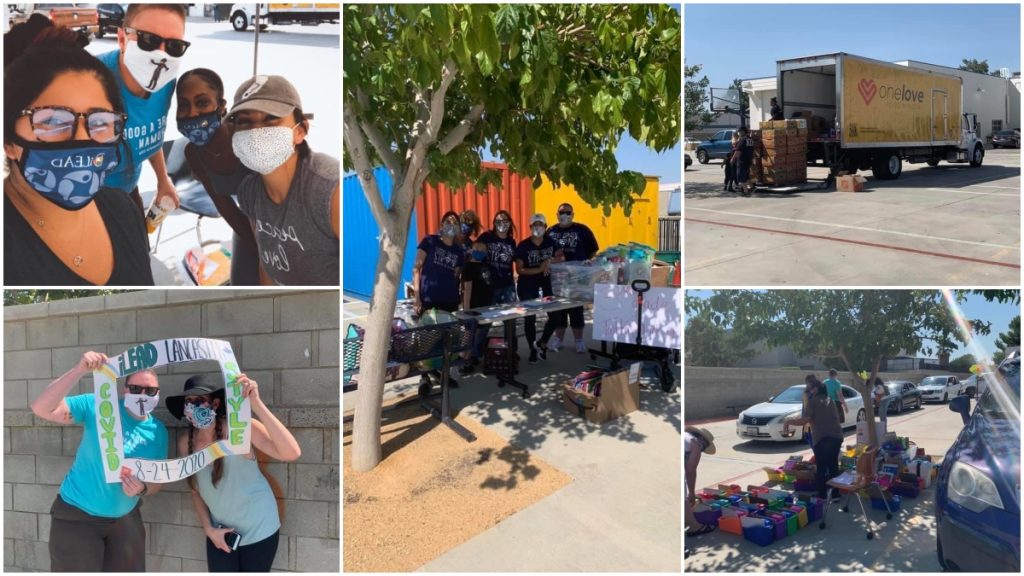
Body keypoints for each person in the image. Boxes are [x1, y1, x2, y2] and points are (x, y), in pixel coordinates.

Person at [4, 15, 154, 286]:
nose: (84, 139)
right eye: (52, 121)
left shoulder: (124, 210)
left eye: (101, 123)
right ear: (9, 141)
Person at [30, 352, 168, 571]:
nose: (143, 394)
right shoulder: (99, 405)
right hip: (78, 518)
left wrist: (142, 488)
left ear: (158, 394)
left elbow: (157, 482)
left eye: (150, 391)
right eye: (135, 389)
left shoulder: (158, 431)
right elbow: (41, 408)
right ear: (125, 389)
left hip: (125, 523)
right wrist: (79, 370)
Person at [168, 375, 300, 572]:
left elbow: (291, 452)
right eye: (188, 402)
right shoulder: (185, 443)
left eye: (199, 400)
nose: (193, 406)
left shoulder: (240, 429)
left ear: (215, 403)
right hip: (221, 534)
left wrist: (256, 404)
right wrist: (209, 529)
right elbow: (196, 492)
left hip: (260, 529)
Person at [230, 74, 340, 285]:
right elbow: (267, 265)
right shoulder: (249, 192)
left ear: (300, 131)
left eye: (270, 118)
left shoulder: (329, 191)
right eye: (244, 121)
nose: (256, 131)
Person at [96, 3, 188, 217]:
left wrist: (163, 180)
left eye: (174, 46)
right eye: (148, 40)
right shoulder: (92, 80)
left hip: (129, 189)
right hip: (89, 199)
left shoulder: (165, 83)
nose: (161, 55)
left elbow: (150, 134)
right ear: (122, 39)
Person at [175, 68, 260, 285]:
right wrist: (257, 248)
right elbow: (224, 206)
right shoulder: (193, 153)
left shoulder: (248, 138)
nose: (192, 113)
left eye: (202, 103)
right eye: (184, 106)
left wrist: (270, 251)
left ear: (221, 107)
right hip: (246, 223)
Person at [545, 202, 599, 353]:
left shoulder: (582, 230)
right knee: (559, 310)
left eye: (568, 212)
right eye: (562, 212)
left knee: (576, 310)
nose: (565, 215)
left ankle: (579, 341)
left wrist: (584, 265)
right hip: (558, 278)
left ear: (573, 214)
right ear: (557, 214)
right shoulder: (551, 231)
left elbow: (593, 250)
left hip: (577, 277)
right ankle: (558, 340)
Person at [784, 377, 844, 500]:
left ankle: (822, 495)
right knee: (833, 466)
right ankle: (835, 494)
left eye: (809, 388)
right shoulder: (829, 399)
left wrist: (788, 422)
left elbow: (805, 420)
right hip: (837, 436)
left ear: (815, 389)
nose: (807, 391)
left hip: (822, 438)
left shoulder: (813, 401)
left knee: (821, 467)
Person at [515, 214, 558, 363]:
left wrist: (549, 260)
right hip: (527, 285)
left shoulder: (551, 242)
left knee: (555, 315)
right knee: (530, 318)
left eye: (541, 224)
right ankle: (532, 350)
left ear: (546, 227)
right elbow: (520, 269)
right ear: (530, 227)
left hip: (547, 283)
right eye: (535, 224)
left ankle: (542, 343)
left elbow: (562, 256)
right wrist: (540, 269)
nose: (537, 227)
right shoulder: (523, 245)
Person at [413, 211, 465, 316]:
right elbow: (416, 268)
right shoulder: (430, 241)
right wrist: (417, 298)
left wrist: (462, 298)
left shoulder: (459, 251)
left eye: (455, 223)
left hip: (450, 300)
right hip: (429, 299)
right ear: (442, 225)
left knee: (448, 332)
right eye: (448, 222)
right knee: (430, 332)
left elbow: (457, 276)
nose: (451, 225)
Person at [459, 239, 493, 375]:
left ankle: (471, 358)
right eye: (476, 249)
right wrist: (467, 310)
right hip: (474, 308)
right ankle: (463, 362)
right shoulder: (468, 267)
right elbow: (467, 290)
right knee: (470, 335)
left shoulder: (485, 265)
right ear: (471, 251)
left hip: (486, 308)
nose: (479, 252)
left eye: (482, 250)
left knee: (478, 336)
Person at [477, 210, 518, 305]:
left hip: (507, 285)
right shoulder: (486, 237)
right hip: (489, 284)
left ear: (510, 222)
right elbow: (475, 252)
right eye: (498, 221)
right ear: (494, 223)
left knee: (511, 316)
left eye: (504, 220)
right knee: (488, 315)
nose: (501, 223)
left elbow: (516, 259)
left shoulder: (511, 241)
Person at [684, 426, 717, 537]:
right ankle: (695, 527)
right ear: (702, 440)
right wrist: (692, 493)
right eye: (704, 448)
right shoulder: (695, 445)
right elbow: (690, 471)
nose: (702, 450)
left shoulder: (686, 438)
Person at [733, 128, 755, 196]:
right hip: (748, 160)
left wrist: (733, 159)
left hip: (742, 161)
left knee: (741, 177)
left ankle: (746, 191)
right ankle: (752, 187)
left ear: (742, 132)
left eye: (739, 132)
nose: (738, 133)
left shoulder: (742, 140)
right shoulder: (750, 140)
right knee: (746, 176)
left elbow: (738, 151)